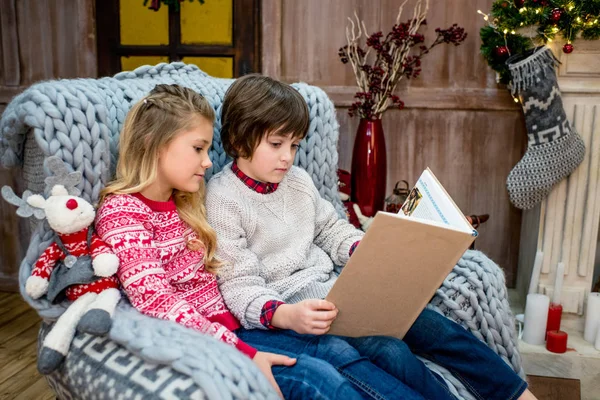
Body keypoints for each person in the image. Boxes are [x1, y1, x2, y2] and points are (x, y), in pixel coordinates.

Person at [206, 74, 538, 400]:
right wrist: (286, 314)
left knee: (433, 325)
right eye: (277, 144)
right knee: (391, 351)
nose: (288, 157)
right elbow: (238, 286)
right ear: (238, 140)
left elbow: (330, 229)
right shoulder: (223, 199)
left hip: (340, 292)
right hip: (297, 313)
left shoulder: (297, 180)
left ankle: (516, 393)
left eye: (294, 145)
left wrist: (363, 248)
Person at [94, 84, 370, 400]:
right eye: (198, 149)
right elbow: (156, 300)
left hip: (239, 325)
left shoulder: (186, 201)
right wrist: (244, 353)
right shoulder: (122, 211)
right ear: (153, 144)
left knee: (342, 352)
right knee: (318, 377)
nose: (208, 161)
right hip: (218, 339)